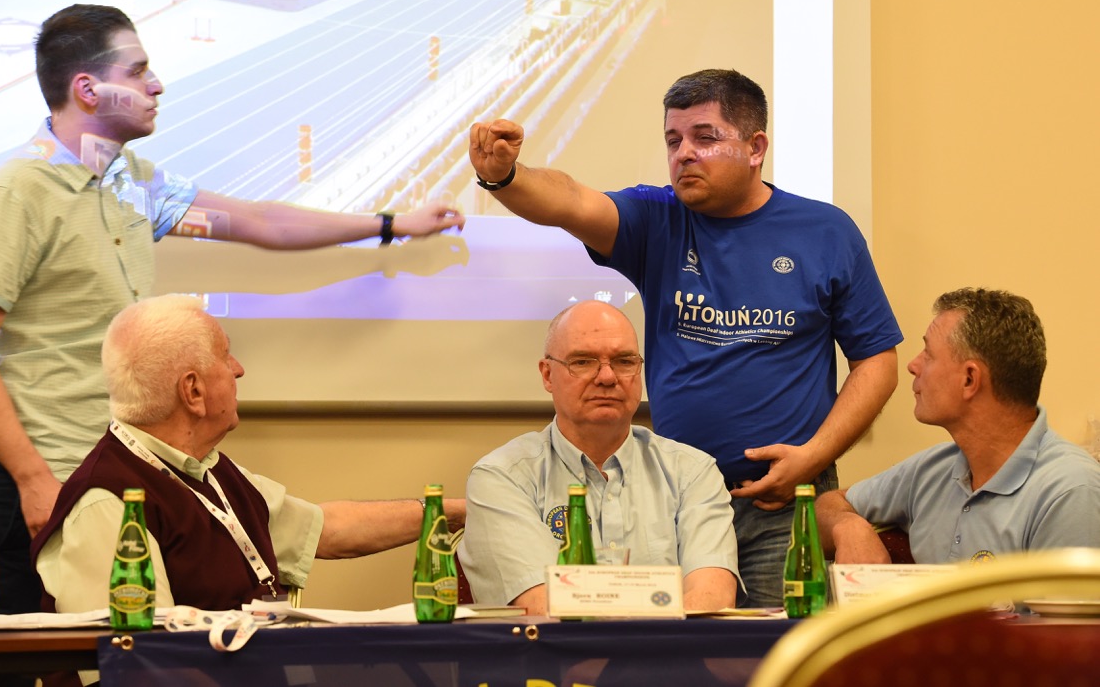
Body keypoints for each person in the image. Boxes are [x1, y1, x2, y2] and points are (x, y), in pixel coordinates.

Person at [0, 3, 465, 614]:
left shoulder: (130, 182)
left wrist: (391, 224)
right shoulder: (18, 192)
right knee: (46, 655)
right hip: (36, 483)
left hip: (110, 473)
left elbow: (261, 221)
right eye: (137, 71)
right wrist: (32, 479)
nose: (157, 85)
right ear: (87, 89)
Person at [468, 69, 902, 605]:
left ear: (756, 147)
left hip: (780, 503)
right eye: (673, 140)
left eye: (705, 137)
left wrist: (813, 456)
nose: (684, 154)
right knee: (673, 647)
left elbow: (877, 361)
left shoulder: (826, 232)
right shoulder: (657, 220)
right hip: (670, 502)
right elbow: (571, 200)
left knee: (776, 650)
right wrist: (506, 176)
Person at [31, 294, 465, 612]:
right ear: (193, 391)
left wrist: (456, 511)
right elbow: (137, 663)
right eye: (226, 356)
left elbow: (328, 529)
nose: (238, 369)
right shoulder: (105, 504)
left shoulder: (206, 470)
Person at [459, 300, 740, 614]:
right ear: (548, 374)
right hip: (555, 650)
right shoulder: (501, 477)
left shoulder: (693, 472)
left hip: (668, 648)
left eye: (624, 361)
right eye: (583, 362)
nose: (607, 377)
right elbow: (541, 607)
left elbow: (713, 598)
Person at [816, 288, 1100, 564]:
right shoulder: (933, 469)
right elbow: (822, 509)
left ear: (969, 379)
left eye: (928, 354)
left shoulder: (1071, 492)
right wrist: (847, 525)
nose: (913, 365)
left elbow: (1066, 601)